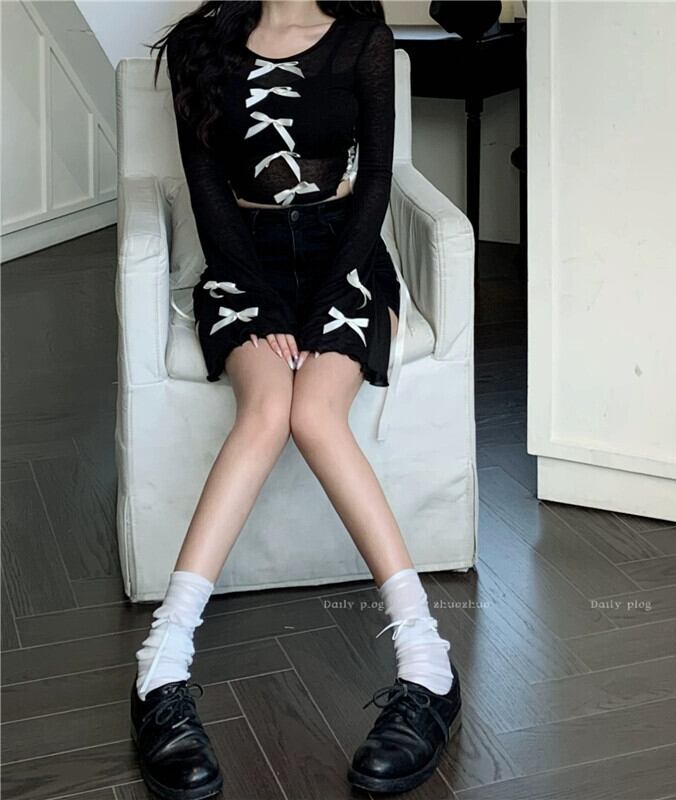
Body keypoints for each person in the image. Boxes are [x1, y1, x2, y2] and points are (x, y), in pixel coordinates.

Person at [132, 2, 462, 797]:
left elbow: (375, 179)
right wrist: (266, 300)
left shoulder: (361, 40)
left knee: (314, 413)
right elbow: (206, 188)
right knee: (267, 411)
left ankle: (428, 663)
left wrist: (325, 298)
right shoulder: (201, 43)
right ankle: (160, 668)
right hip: (243, 262)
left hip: (342, 258)